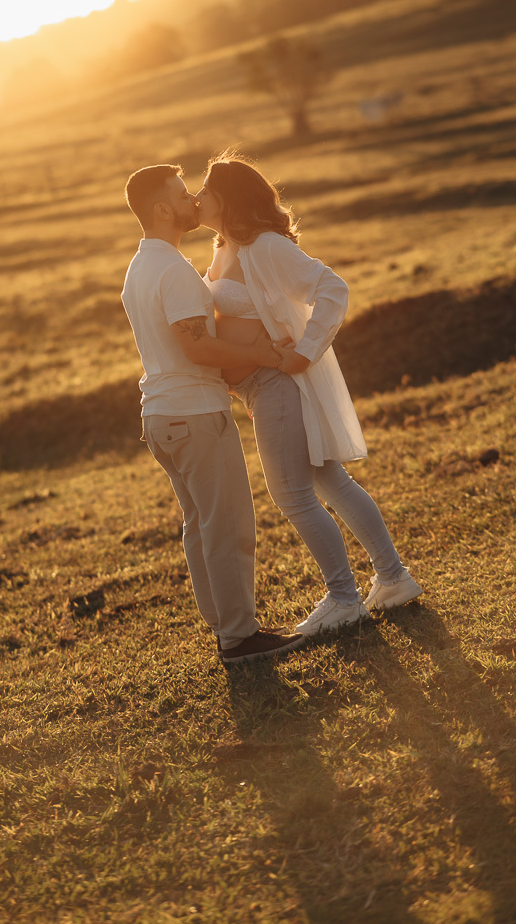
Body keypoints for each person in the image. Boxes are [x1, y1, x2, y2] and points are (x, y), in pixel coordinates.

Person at [197, 151, 423, 636]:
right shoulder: (224, 247)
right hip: (257, 386)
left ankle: (344, 598)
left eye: (204, 192)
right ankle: (393, 578)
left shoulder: (265, 246)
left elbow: (332, 288)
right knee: (330, 482)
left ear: (226, 199)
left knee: (294, 495)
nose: (197, 199)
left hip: (277, 382)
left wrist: (304, 352)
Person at [121, 163, 305, 664]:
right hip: (195, 414)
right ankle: (239, 638)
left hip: (161, 416)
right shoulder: (173, 270)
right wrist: (266, 355)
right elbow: (198, 347)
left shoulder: (140, 267)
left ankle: (225, 627)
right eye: (183, 195)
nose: (193, 201)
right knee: (226, 527)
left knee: (200, 525)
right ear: (162, 210)